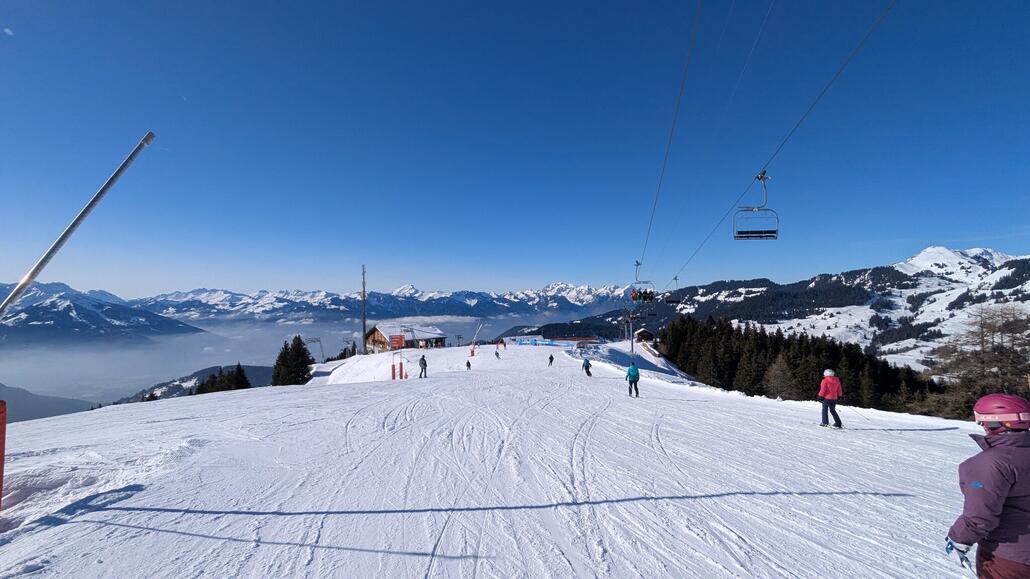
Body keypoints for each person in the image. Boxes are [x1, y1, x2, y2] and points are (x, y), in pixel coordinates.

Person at [946, 393, 1030, 577]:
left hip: (1010, 558)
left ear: (993, 423)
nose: (982, 426)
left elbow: (980, 517)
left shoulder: (991, 463)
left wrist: (958, 539)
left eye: (981, 421)